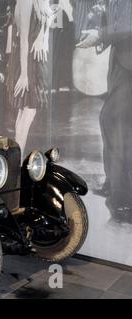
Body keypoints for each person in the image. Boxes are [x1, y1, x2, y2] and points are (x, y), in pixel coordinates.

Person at [77, 0, 132, 223]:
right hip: (122, 60)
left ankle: (122, 198)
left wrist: (100, 34)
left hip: (128, 65)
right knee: (112, 121)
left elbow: (127, 23)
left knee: (113, 121)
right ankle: (114, 184)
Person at [7, 0, 54, 152]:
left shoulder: (40, 2)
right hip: (26, 62)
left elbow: (50, 17)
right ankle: (17, 158)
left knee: (26, 110)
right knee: (28, 109)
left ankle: (16, 156)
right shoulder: (26, 2)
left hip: (34, 60)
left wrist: (42, 35)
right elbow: (23, 41)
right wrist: (24, 74)